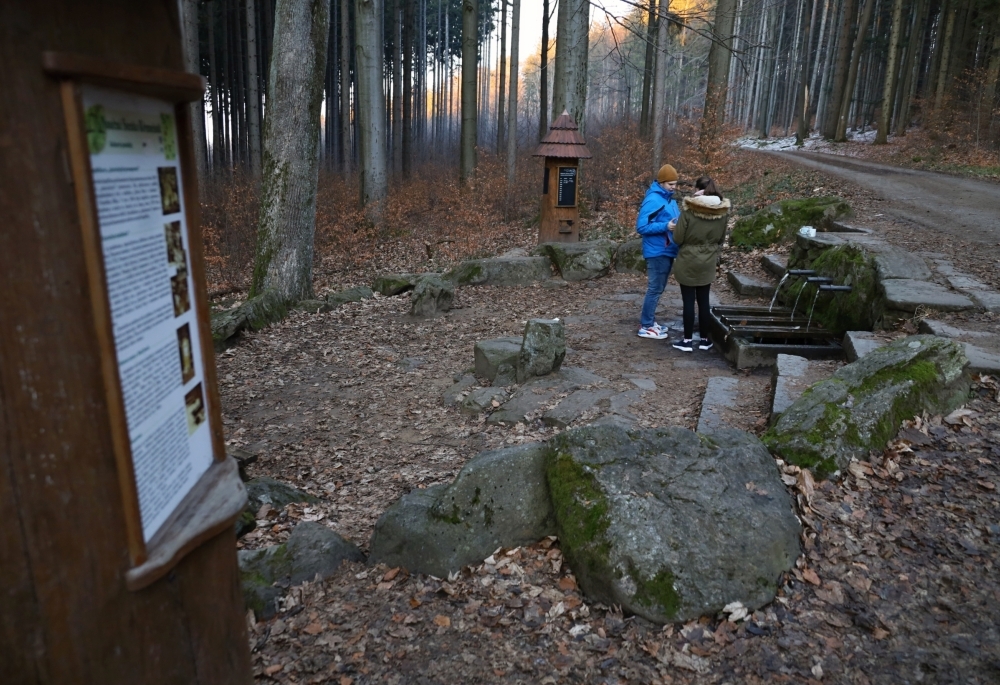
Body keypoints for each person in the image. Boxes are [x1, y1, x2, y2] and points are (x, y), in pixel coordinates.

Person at [671, 176, 731, 352]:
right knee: (704, 302)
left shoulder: (689, 211)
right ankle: (705, 340)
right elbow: (721, 239)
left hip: (688, 260)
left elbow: (678, 238)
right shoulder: (722, 212)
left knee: (688, 301)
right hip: (708, 261)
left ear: (697, 189)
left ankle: (688, 341)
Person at [635, 164, 681, 339]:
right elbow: (642, 226)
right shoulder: (654, 199)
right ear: (661, 183)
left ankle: (649, 321)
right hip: (657, 251)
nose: (673, 187)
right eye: (670, 184)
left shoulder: (669, 199)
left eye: (675, 184)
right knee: (654, 289)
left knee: (658, 288)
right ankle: (646, 326)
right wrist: (665, 226)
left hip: (667, 250)